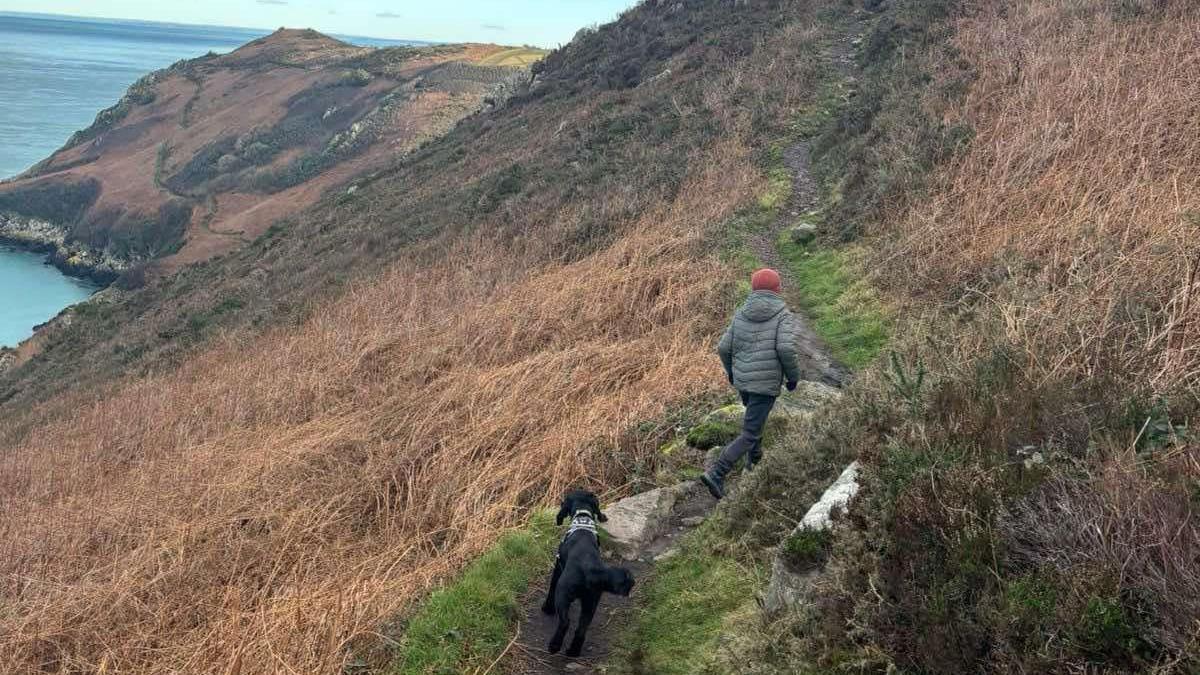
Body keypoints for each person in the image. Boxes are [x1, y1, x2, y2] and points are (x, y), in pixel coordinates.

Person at [700, 268, 801, 500]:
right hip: (764, 384)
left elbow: (723, 347)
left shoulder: (742, 312)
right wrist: (793, 377)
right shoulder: (782, 314)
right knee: (750, 432)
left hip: (744, 382)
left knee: (754, 422)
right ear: (777, 289)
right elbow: (785, 348)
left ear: (754, 288)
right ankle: (717, 472)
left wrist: (732, 373)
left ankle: (754, 460)